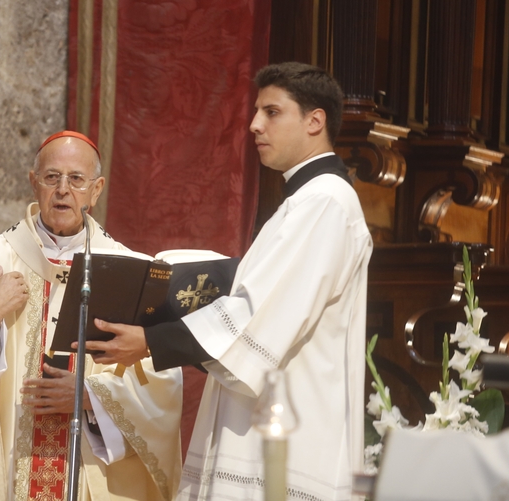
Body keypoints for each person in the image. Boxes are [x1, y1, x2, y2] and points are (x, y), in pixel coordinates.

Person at [87, 63, 372, 501]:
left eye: (272, 112)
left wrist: (152, 342)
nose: (255, 125)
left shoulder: (326, 202)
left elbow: (256, 315)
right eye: (257, 112)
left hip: (292, 436)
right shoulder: (306, 201)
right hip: (266, 420)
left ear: (315, 121)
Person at [0, 130, 182, 501]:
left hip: (89, 471)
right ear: (33, 183)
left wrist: (91, 395)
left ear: (96, 189)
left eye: (76, 179)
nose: (63, 190)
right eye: (52, 177)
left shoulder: (133, 272)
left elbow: (163, 381)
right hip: (1, 470)